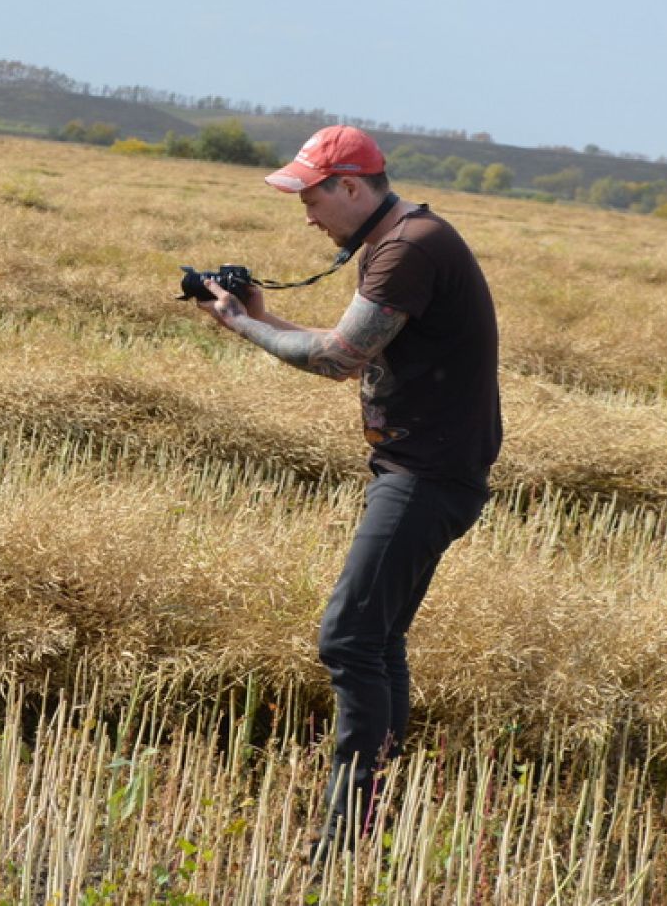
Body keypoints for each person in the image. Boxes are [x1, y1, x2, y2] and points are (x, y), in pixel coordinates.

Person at [194, 124, 502, 853]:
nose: (305, 214)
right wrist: (268, 317)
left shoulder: (406, 249)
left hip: (426, 475)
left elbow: (339, 357)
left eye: (310, 196)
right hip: (427, 467)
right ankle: (370, 815)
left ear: (352, 186)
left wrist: (240, 324)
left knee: (348, 636)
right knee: (379, 639)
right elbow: (353, 341)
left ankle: (347, 829)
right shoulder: (405, 237)